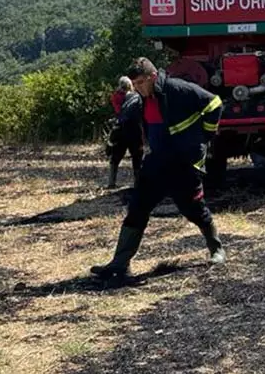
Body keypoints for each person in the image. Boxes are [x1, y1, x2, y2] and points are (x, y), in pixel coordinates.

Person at [90, 57, 226, 279]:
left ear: (153, 77)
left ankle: (217, 249)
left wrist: (204, 136)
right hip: (156, 163)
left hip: (183, 163)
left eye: (141, 83)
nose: (138, 88)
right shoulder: (142, 98)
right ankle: (120, 264)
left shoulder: (177, 88)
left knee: (194, 209)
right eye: (135, 84)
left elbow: (214, 104)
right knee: (137, 208)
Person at [106, 77, 144, 190]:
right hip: (134, 129)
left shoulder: (116, 96)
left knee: (116, 156)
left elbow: (118, 111)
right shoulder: (136, 96)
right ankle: (138, 183)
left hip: (120, 128)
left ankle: (111, 182)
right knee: (137, 156)